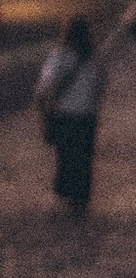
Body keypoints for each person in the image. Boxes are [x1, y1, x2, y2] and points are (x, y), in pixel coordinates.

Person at [33, 16, 106, 215]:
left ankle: (67, 193)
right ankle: (80, 196)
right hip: (86, 116)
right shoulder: (95, 59)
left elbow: (46, 83)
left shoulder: (59, 56)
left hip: (64, 114)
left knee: (66, 156)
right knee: (84, 157)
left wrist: (41, 101)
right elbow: (100, 86)